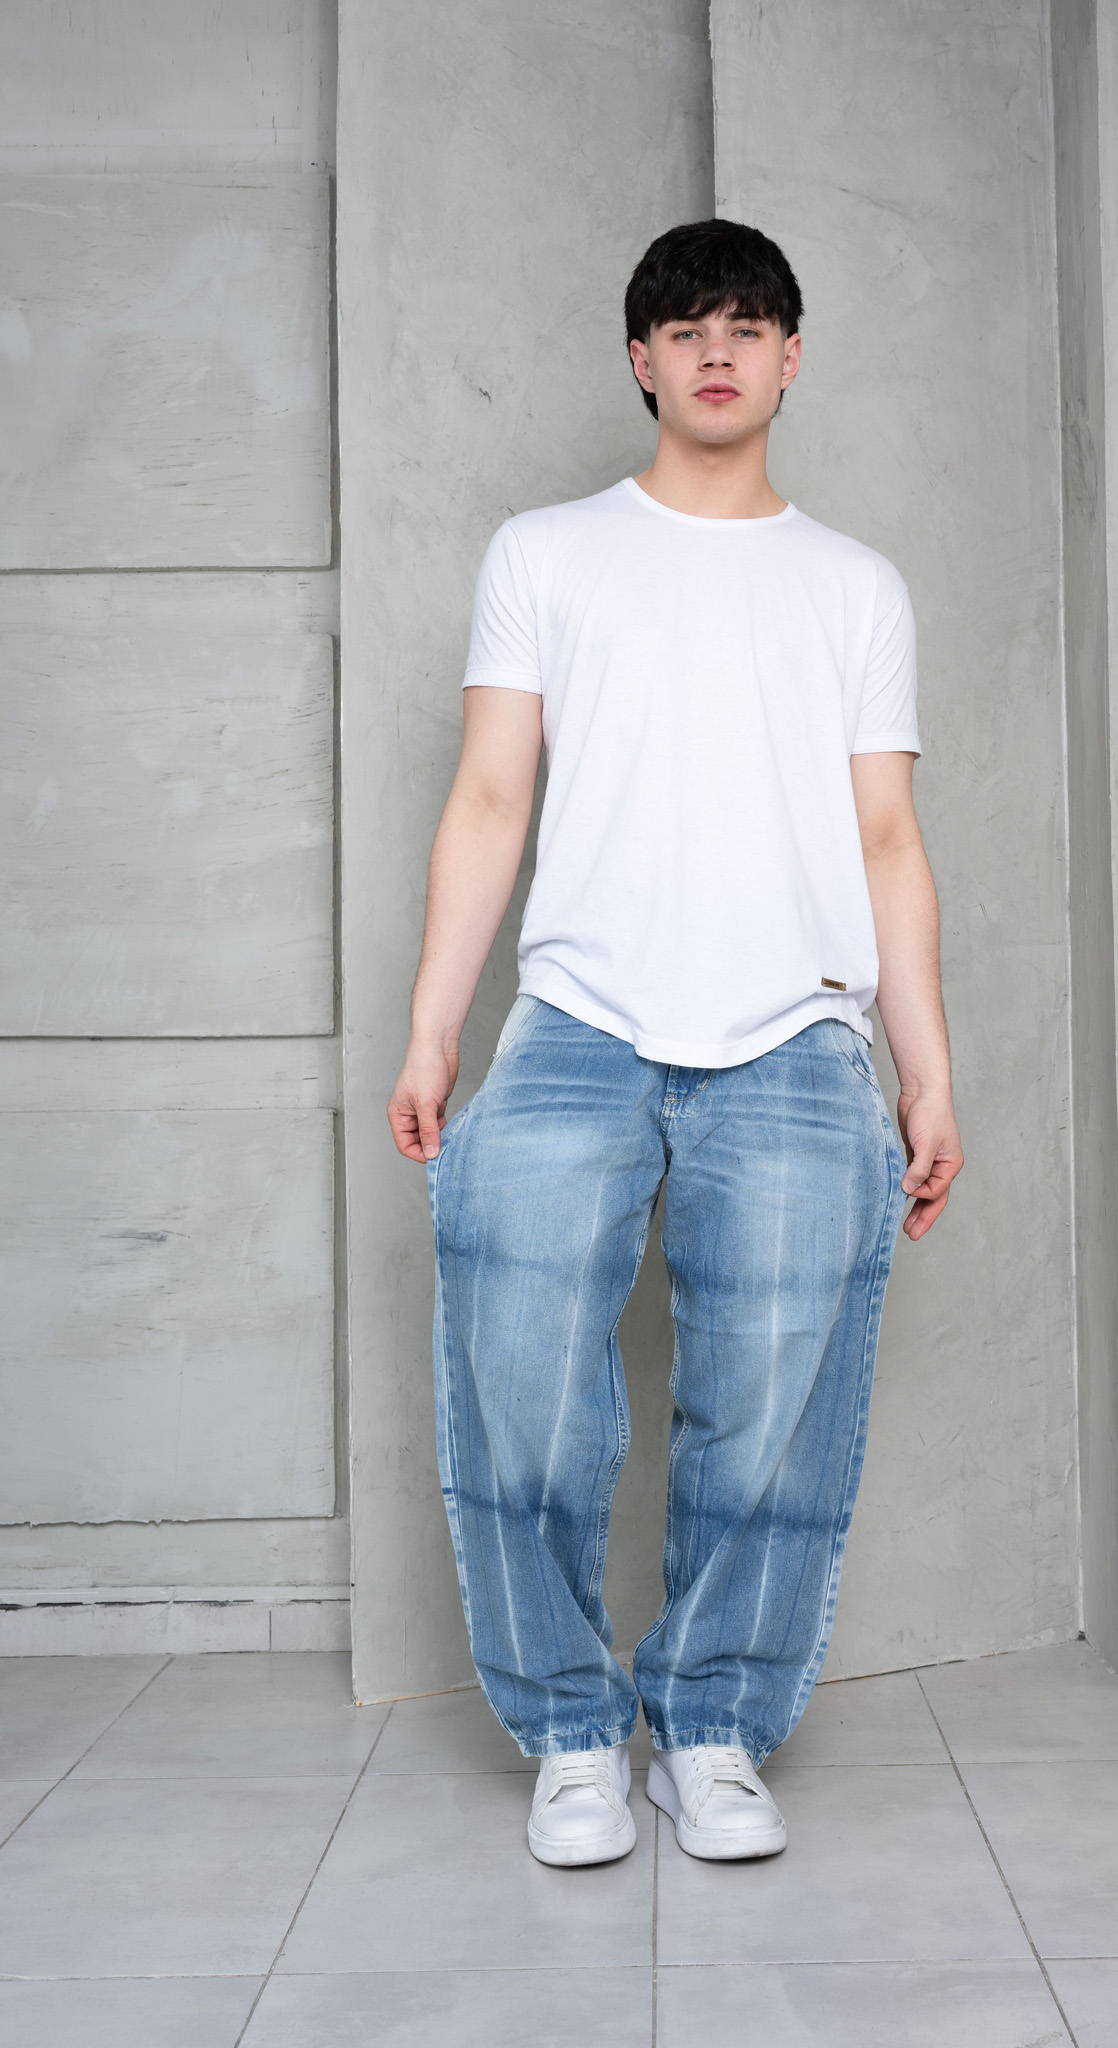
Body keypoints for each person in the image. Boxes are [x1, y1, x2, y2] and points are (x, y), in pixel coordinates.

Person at [387, 218, 963, 1868]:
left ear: (791, 360)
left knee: (769, 1414)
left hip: (794, 1038)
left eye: (748, 326)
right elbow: (489, 797)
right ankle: (575, 1734)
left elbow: (886, 838)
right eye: (686, 328)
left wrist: (925, 1069)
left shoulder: (852, 585)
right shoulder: (547, 555)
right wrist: (435, 1031)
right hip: (576, 1025)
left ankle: (709, 1726)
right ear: (641, 361)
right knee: (521, 1392)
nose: (718, 351)